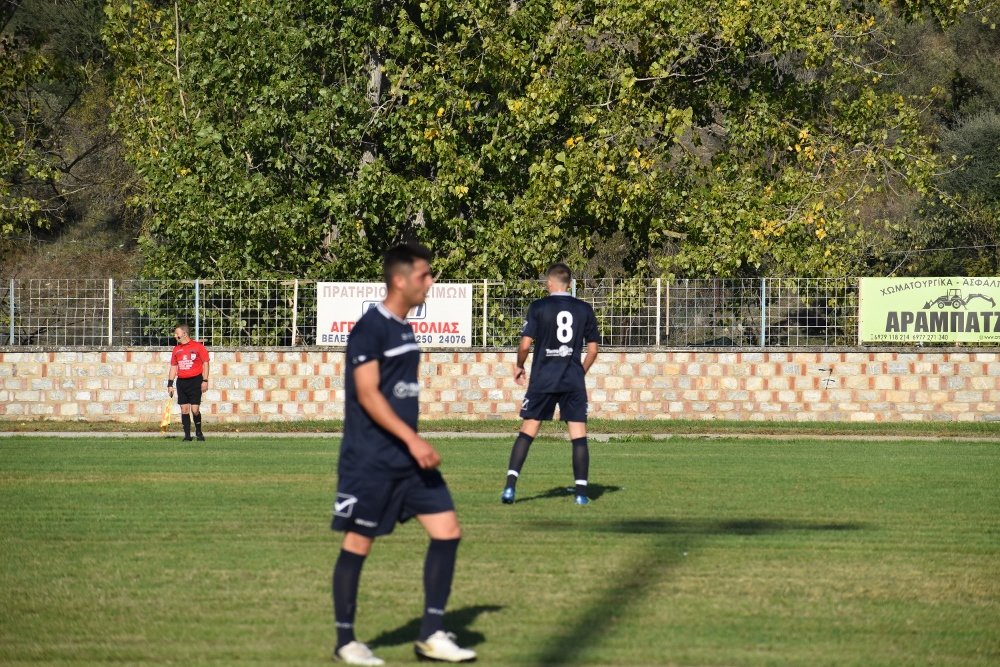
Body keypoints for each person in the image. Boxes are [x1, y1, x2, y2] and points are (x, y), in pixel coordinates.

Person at [331, 242, 476, 666]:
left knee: (448, 530)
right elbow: (367, 394)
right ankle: (346, 642)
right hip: (371, 459)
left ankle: (431, 634)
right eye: (424, 275)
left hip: (409, 462)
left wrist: (412, 445)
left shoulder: (404, 328)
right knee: (359, 543)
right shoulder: (370, 328)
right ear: (400, 279)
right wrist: (412, 439)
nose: (430, 282)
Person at [501, 263, 601, 506]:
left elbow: (525, 345)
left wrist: (520, 365)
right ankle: (580, 494)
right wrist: (580, 371)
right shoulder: (584, 309)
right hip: (572, 380)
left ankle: (510, 488)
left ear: (549, 283)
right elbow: (593, 349)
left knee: (528, 431)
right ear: (569, 284)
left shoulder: (539, 307)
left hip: (543, 379)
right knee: (578, 435)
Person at [167, 323, 210, 442]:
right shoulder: (176, 349)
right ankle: (187, 436)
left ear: (184, 334)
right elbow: (173, 367)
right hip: (182, 383)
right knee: (184, 409)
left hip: (195, 381)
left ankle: (199, 432)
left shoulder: (198, 347)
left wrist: (205, 380)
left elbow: (206, 363)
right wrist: (170, 384)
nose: (175, 336)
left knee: (195, 410)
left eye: (177, 334)